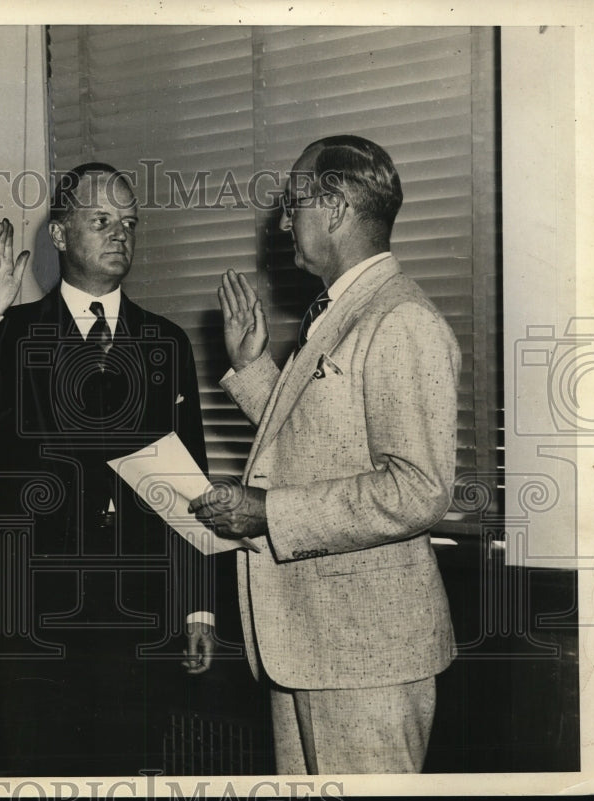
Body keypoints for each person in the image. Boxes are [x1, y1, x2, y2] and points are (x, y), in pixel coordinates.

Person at [0, 163, 215, 775]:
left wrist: (196, 606)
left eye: (129, 222)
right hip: (27, 620)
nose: (120, 234)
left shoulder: (165, 341)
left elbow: (189, 483)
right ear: (59, 234)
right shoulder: (13, 334)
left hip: (133, 616)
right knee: (35, 772)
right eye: (101, 220)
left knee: (128, 776)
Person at [190, 135, 459, 774]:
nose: (284, 220)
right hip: (316, 644)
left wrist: (269, 513)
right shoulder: (346, 310)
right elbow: (324, 443)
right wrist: (254, 368)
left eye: (293, 204)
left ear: (333, 208)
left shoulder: (400, 319)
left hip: (367, 658)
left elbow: (418, 489)